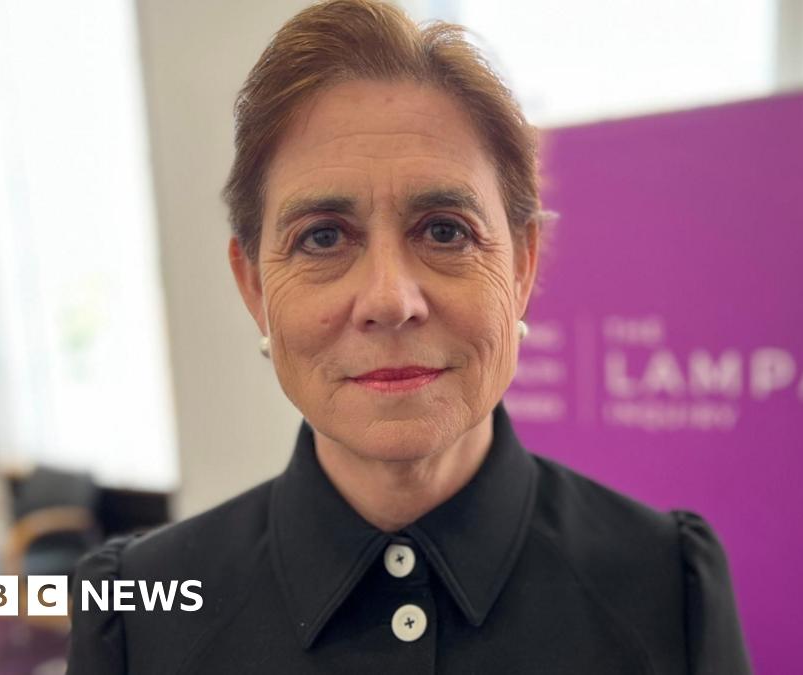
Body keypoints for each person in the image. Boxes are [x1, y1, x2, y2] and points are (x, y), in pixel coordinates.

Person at [67, 1, 751, 672]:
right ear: (255, 289)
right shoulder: (137, 616)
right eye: (323, 237)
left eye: (445, 230)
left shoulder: (665, 583)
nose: (390, 300)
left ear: (521, 265)